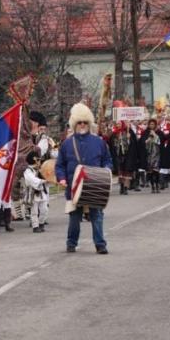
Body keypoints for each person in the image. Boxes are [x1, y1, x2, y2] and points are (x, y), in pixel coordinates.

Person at [55, 103, 113, 254]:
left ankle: (100, 245)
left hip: (95, 185)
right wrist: (61, 178)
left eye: (85, 122)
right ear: (74, 124)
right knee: (74, 219)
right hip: (74, 187)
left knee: (97, 216)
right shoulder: (67, 144)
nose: (82, 125)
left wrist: (107, 169)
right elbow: (60, 165)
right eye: (79, 122)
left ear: (89, 123)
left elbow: (108, 160)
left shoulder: (99, 142)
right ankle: (71, 243)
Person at [22, 152, 49, 233]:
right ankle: (35, 226)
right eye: (38, 160)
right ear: (34, 160)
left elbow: (46, 178)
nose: (39, 161)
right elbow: (32, 180)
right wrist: (43, 181)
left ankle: (41, 223)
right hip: (32, 193)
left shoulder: (40, 169)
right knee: (34, 212)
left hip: (41, 192)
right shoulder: (28, 170)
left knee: (45, 210)